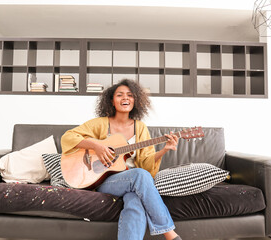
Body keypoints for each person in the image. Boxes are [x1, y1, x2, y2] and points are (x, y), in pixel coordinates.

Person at [61, 79, 181, 240]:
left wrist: (164, 149)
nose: (125, 98)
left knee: (135, 201)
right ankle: (170, 234)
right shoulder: (100, 123)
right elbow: (68, 137)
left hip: (131, 179)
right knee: (140, 176)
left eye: (130, 95)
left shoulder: (140, 128)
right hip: (102, 180)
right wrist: (96, 146)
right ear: (111, 100)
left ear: (135, 100)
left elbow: (146, 163)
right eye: (120, 95)